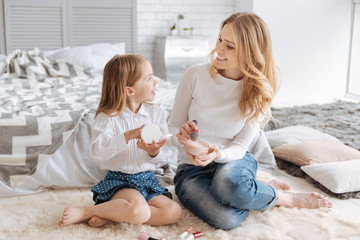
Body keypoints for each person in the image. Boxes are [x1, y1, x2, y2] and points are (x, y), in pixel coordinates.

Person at [168, 12, 332, 230]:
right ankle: (253, 191)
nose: (219, 49)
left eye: (230, 46)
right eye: (219, 40)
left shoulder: (258, 92)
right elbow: (172, 126)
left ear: (250, 52)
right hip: (191, 169)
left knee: (228, 185)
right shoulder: (195, 75)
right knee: (226, 219)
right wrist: (181, 137)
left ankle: (284, 198)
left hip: (234, 161)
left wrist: (218, 154)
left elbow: (240, 146)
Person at [59, 54, 182, 227]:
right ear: (130, 90)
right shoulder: (107, 117)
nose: (156, 82)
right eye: (149, 79)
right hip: (121, 182)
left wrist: (154, 152)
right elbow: (97, 151)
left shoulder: (156, 113)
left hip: (147, 179)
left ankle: (114, 213)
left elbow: (167, 153)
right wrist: (128, 135)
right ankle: (88, 211)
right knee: (140, 210)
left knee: (173, 212)